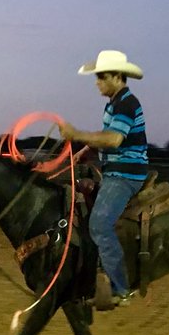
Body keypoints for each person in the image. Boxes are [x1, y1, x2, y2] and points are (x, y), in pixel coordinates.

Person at [60, 49, 148, 310]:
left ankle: (121, 288)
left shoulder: (126, 104)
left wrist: (77, 135)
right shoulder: (114, 104)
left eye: (101, 77)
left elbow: (114, 139)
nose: (97, 82)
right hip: (114, 170)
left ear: (118, 77)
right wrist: (86, 151)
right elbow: (107, 136)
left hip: (125, 175)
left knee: (98, 224)